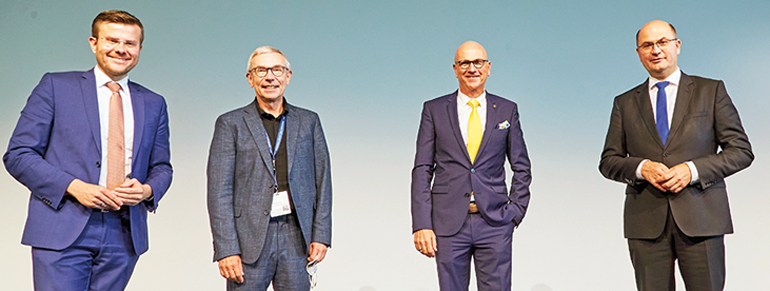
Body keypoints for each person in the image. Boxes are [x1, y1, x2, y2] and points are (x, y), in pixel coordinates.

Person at [3, 10, 173, 291]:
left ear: (140, 49)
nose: (121, 49)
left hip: (125, 233)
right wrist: (74, 186)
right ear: (94, 43)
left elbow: (162, 167)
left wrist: (146, 191)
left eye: (130, 43)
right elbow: (19, 154)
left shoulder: (154, 102)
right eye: (112, 40)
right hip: (63, 225)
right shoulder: (56, 87)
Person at [599, 20, 753, 291]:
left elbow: (741, 150)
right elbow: (609, 161)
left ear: (677, 46)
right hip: (646, 223)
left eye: (662, 42)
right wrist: (641, 167)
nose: (655, 50)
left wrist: (692, 170)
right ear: (638, 53)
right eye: (647, 45)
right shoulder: (624, 103)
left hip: (702, 219)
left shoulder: (710, 91)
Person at [207, 46, 332, 291]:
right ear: (250, 78)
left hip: (297, 237)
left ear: (288, 76)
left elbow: (323, 182)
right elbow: (218, 192)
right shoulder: (230, 123)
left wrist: (321, 235)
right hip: (248, 241)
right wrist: (226, 249)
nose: (270, 77)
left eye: (277, 70)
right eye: (261, 70)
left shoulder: (308, 121)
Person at [411, 41, 532, 291]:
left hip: (495, 223)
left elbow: (521, 167)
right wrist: (422, 223)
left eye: (478, 62)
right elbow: (422, 168)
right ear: (455, 69)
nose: (472, 68)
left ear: (488, 68)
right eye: (464, 63)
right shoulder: (434, 110)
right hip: (448, 223)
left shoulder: (507, 110)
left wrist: (514, 213)